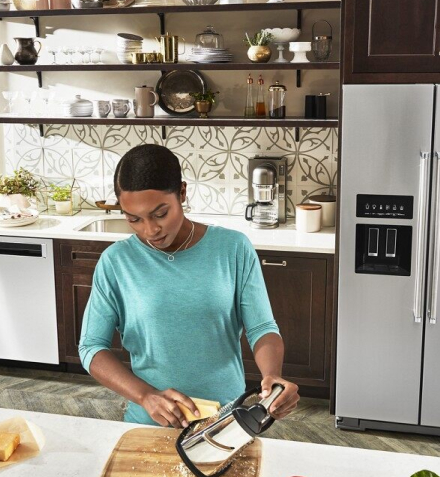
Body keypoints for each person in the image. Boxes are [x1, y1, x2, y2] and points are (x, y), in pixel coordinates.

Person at [78, 144, 299, 428]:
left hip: (227, 423)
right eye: (134, 218)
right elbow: (91, 347)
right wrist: (146, 396)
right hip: (150, 424)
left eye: (160, 214)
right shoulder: (116, 262)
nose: (150, 230)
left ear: (182, 193)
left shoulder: (232, 248)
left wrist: (273, 376)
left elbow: (262, 328)